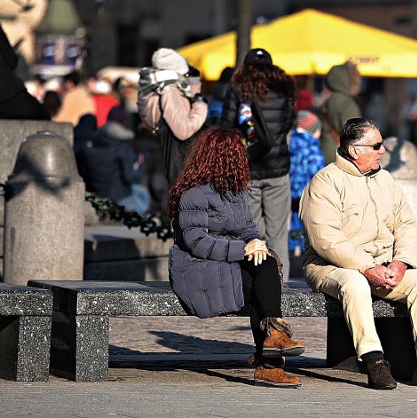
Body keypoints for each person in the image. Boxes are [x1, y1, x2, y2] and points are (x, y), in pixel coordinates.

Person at [299, 118, 417, 391]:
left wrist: (401, 262)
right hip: (330, 266)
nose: (382, 150)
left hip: (383, 264)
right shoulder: (325, 181)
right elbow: (325, 240)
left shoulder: (385, 179)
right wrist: (366, 266)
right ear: (354, 150)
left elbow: (407, 225)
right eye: (376, 145)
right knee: (355, 282)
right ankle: (374, 361)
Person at [168, 127, 305, 387]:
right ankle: (270, 362)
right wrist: (242, 250)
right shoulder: (194, 193)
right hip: (198, 267)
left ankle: (274, 339)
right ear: (226, 157)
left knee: (264, 263)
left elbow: (248, 228)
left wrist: (255, 243)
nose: (245, 156)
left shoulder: (236, 191)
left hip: (226, 262)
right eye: (239, 152)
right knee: (259, 288)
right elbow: (196, 243)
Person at [220, 48, 296, 279]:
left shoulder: (238, 90)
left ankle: (254, 283)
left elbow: (226, 127)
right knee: (278, 234)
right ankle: (280, 284)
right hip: (278, 169)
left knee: (250, 233)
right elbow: (286, 125)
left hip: (247, 169)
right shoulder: (284, 90)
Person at [137, 47, 208, 188]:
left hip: (173, 149)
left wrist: (194, 85)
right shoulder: (170, 90)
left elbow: (186, 102)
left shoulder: (158, 87)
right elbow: (182, 131)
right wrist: (201, 106)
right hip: (178, 152)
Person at [80, 121, 150, 214]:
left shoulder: (88, 149)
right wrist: (139, 164)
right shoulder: (121, 149)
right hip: (120, 196)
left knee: (142, 192)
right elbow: (130, 177)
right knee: (145, 214)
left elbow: (84, 173)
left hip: (99, 193)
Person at [288, 110, 326, 262]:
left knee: (294, 221)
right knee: (306, 222)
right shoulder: (312, 148)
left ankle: (292, 247)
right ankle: (304, 249)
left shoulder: (291, 143)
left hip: (291, 190)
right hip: (307, 191)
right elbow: (317, 172)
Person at [320, 62, 362, 163]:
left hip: (326, 151)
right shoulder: (347, 103)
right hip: (340, 157)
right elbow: (354, 135)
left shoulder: (329, 99)